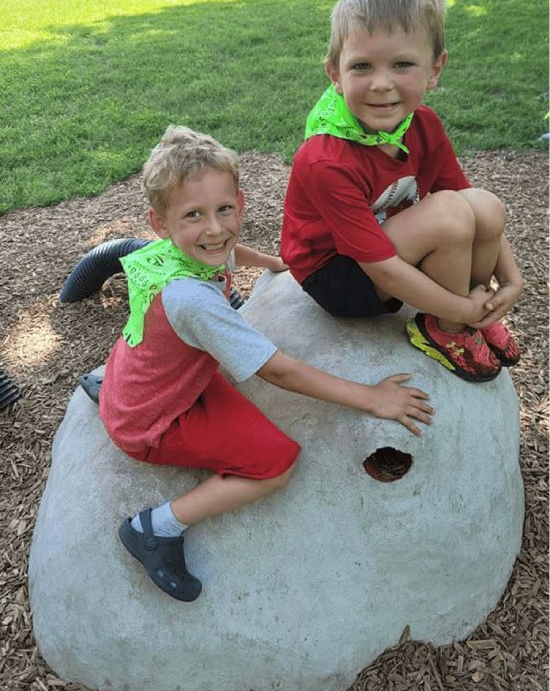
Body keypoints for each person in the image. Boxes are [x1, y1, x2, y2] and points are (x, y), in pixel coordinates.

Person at [98, 125, 433, 603]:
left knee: (175, 336)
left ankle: (107, 385)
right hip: (155, 419)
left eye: (224, 210)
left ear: (241, 201)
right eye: (194, 215)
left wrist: (275, 263)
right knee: (275, 464)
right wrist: (370, 397)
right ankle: (156, 527)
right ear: (160, 223)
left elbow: (228, 251)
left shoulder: (176, 251)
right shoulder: (194, 301)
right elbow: (278, 371)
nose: (214, 228)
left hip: (141, 377)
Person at [281, 0, 523, 383]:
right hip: (339, 275)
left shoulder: (422, 123)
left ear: (435, 68)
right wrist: (457, 309)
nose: (381, 84)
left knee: (483, 205)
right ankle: (445, 328)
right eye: (361, 67)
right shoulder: (325, 159)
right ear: (335, 74)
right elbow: (382, 270)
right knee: (449, 214)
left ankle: (471, 312)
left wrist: (511, 280)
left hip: (388, 243)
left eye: (402, 64)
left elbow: (468, 201)